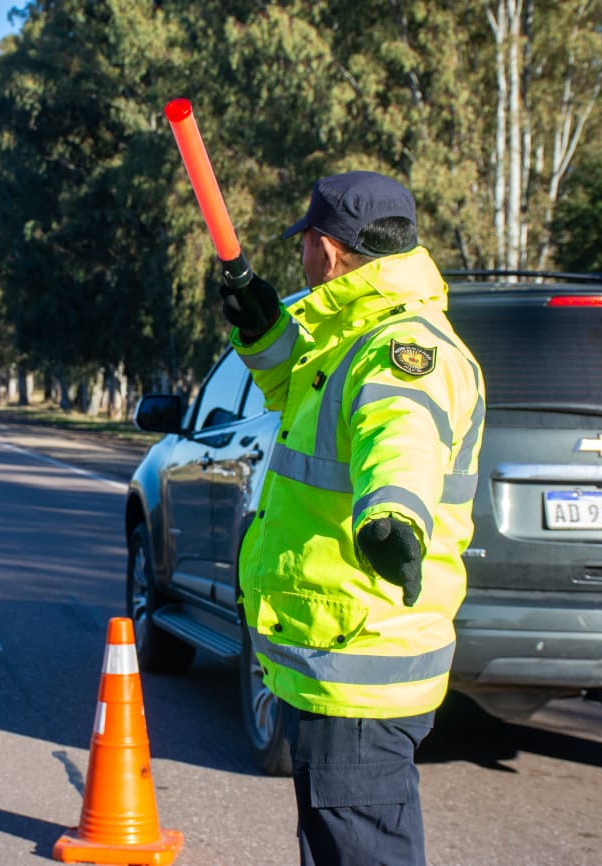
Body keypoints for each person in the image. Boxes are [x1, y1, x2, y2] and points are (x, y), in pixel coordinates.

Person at [220, 171, 486, 866]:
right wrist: (261, 325)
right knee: (339, 843)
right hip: (337, 646)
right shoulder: (350, 333)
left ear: (328, 250)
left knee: (360, 848)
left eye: (303, 243)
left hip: (361, 652)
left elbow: (402, 432)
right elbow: (293, 384)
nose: (299, 259)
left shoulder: (403, 347)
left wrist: (392, 513)